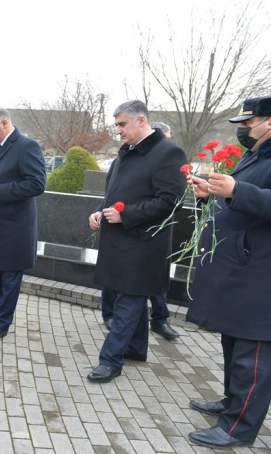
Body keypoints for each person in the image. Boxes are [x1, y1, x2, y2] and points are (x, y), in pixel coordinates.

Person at [186, 94, 271, 449]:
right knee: (233, 345)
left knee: (253, 357)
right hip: (240, 269)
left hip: (260, 275)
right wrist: (211, 194)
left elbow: (253, 197)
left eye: (249, 124)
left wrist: (237, 189)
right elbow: (239, 200)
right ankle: (231, 403)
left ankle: (238, 427)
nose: (244, 131)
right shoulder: (255, 155)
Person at [85, 100, 187, 384]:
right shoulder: (125, 153)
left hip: (144, 245)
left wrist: (126, 214)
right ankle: (136, 349)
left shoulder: (168, 152)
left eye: (122, 124)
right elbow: (114, 193)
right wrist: (99, 211)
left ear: (142, 121)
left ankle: (110, 360)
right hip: (119, 240)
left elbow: (171, 201)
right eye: (116, 125)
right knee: (127, 297)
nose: (117, 131)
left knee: (128, 301)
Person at [0, 106, 47, 343]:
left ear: (4, 123)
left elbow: (37, 184)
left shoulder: (27, 146)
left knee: (11, 276)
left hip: (15, 227)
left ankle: (2, 323)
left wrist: (3, 190)